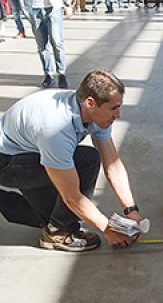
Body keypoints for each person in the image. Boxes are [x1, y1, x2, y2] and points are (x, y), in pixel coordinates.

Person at [0, 70, 144, 252]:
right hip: (8, 161)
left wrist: (131, 210)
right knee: (87, 160)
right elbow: (72, 196)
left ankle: (51, 222)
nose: (118, 115)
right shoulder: (55, 130)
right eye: (113, 108)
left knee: (50, 214)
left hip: (29, 152)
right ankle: (58, 233)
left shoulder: (91, 113)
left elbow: (113, 164)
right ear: (91, 103)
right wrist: (107, 229)